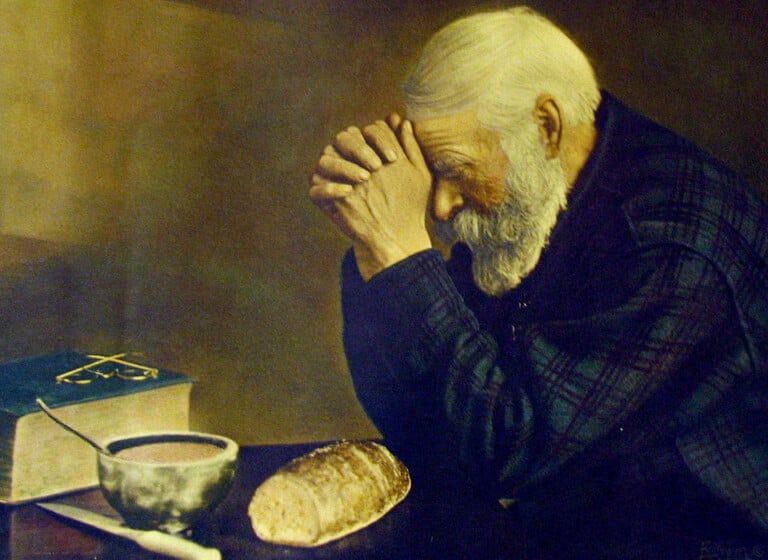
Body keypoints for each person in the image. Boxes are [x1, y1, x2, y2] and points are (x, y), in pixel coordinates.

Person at [309, 6, 768, 559]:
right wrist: (373, 251)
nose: (441, 205)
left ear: (546, 126)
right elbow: (426, 423)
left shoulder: (671, 242)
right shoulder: (527, 204)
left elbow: (509, 450)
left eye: (454, 168)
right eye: (431, 174)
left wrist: (401, 252)